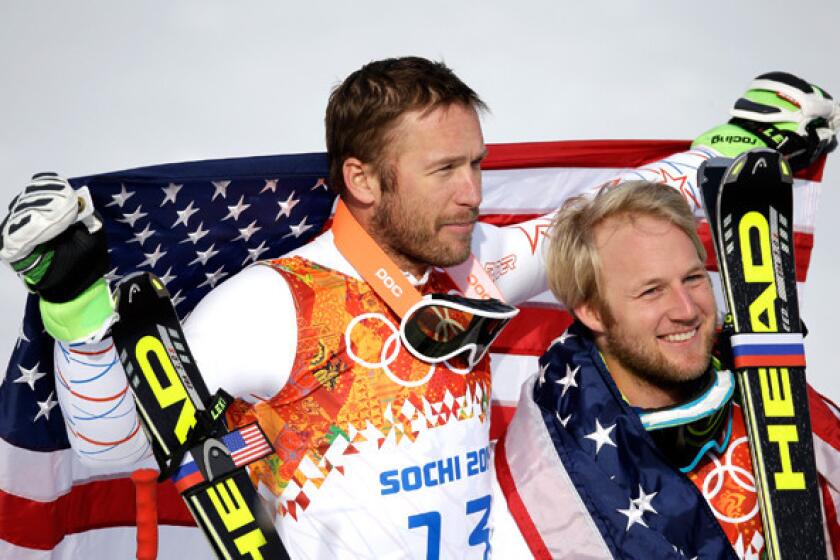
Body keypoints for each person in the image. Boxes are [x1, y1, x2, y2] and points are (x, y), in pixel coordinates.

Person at [1, 61, 837, 559]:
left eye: (476, 164)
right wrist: (72, 302)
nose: (474, 195)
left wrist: (737, 146)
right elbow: (114, 448)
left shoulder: (484, 269)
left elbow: (613, 208)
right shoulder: (275, 304)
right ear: (363, 179)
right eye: (444, 171)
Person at [494, 180, 840, 559]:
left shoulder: (777, 401)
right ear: (591, 311)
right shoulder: (544, 476)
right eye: (651, 291)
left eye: (693, 278)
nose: (687, 310)